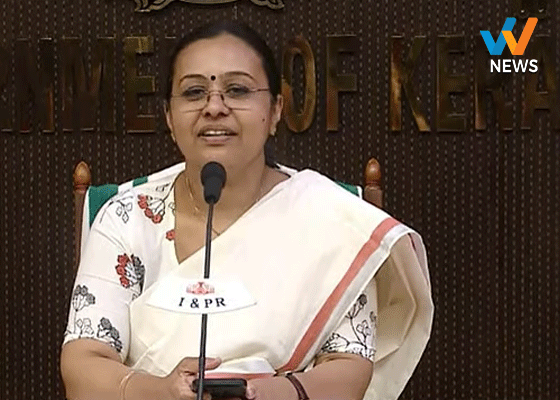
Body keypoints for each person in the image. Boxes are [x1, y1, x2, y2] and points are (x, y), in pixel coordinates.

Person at [60, 20, 433, 400]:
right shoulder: (128, 218)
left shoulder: (334, 220)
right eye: (194, 92)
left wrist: (275, 393)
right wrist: (161, 392)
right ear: (170, 117)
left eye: (237, 90)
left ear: (275, 110)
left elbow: (348, 365)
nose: (214, 107)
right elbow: (84, 364)